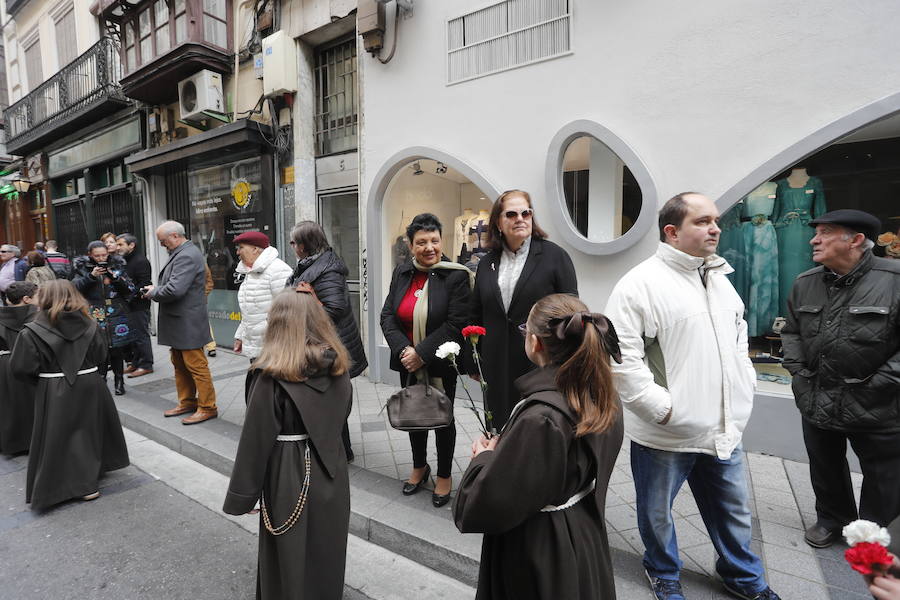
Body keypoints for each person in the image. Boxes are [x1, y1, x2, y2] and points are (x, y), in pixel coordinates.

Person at [604, 192, 780, 600]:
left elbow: (739, 338)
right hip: (668, 432)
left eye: (715, 220)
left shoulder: (719, 278)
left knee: (733, 512)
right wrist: (663, 410)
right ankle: (663, 570)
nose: (715, 227)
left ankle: (744, 578)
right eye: (702, 221)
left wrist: (745, 381)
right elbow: (620, 359)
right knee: (657, 513)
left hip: (723, 427)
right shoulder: (639, 284)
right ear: (672, 231)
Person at [454, 294, 624, 599]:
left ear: (535, 342)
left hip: (540, 547)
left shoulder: (542, 418)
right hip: (581, 532)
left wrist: (485, 459)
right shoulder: (601, 394)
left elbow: (480, 508)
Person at [780, 209, 900, 548]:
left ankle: (873, 532)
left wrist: (880, 384)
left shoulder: (895, 279)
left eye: (826, 232)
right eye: (816, 232)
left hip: (877, 400)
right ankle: (833, 519)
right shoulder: (806, 282)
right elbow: (790, 331)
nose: (814, 240)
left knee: (883, 474)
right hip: (816, 394)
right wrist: (799, 372)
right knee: (825, 463)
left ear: (856, 240)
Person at [223, 288, 352, 599]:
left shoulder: (269, 375)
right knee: (327, 547)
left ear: (279, 324)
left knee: (288, 553)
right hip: (331, 468)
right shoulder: (338, 367)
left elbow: (256, 440)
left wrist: (244, 494)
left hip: (287, 471)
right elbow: (341, 415)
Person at [9, 279, 130, 509]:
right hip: (90, 382)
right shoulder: (91, 323)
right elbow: (102, 354)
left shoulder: (32, 330)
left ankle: (71, 485)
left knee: (59, 435)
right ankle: (89, 477)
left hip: (54, 386)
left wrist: (42, 381)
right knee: (88, 430)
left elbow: (22, 368)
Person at [380, 213, 473, 507]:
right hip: (406, 360)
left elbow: (457, 323)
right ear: (410, 244)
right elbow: (387, 315)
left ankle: (444, 475)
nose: (429, 247)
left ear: (441, 241)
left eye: (434, 240)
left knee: (443, 419)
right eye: (421, 242)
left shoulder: (455, 275)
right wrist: (405, 351)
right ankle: (420, 467)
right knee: (414, 414)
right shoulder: (402, 272)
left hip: (441, 363)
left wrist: (422, 353)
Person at [470, 189, 578, 430]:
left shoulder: (555, 257)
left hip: (539, 361)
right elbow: (476, 312)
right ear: (498, 222)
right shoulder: (487, 262)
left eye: (525, 213)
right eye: (511, 214)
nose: (520, 218)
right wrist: (472, 359)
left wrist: (562, 360)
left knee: (533, 425)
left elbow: (571, 314)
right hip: (495, 361)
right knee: (497, 423)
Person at [286, 221, 368, 461]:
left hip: (331, 347)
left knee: (332, 401)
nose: (292, 246)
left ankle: (340, 452)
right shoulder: (310, 265)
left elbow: (334, 309)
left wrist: (307, 301)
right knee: (327, 401)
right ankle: (335, 449)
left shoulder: (327, 269)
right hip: (319, 345)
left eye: (294, 242)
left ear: (303, 245)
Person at [143, 221, 218, 425]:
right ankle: (188, 402)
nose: (162, 245)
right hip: (182, 319)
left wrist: (153, 292)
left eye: (163, 241)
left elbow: (175, 289)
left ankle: (207, 407)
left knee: (196, 365)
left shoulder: (186, 255)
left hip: (187, 321)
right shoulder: (185, 252)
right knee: (180, 364)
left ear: (175, 236)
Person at [73, 241, 136, 396]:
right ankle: (101, 380)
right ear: (90, 255)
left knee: (117, 350)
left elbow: (130, 289)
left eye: (104, 254)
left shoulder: (117, 265)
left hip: (116, 313)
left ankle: (119, 381)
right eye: (97, 255)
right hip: (94, 313)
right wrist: (91, 276)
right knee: (99, 349)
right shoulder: (81, 268)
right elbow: (73, 289)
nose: (101, 258)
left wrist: (114, 278)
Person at [232, 231, 293, 361]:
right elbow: (250, 311)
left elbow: (289, 311)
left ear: (255, 249)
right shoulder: (250, 272)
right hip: (257, 347)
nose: (238, 252)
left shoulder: (278, 270)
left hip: (274, 349)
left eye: (241, 247)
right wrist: (240, 336)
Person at [0, 281, 38, 455]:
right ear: (27, 299)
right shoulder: (38, 317)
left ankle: (11, 442)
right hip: (30, 362)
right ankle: (33, 440)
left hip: (4, 364)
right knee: (31, 403)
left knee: (8, 404)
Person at [116, 233, 154, 378]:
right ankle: (135, 363)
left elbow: (144, 284)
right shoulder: (124, 260)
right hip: (128, 304)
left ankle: (146, 365)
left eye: (121, 244)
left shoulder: (140, 261)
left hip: (139, 304)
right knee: (132, 335)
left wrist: (129, 296)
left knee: (141, 335)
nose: (118, 247)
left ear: (131, 245)